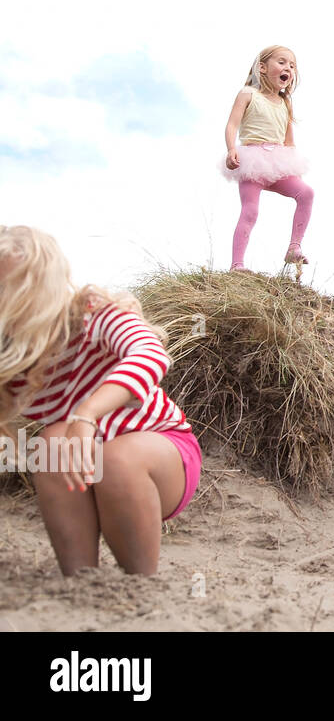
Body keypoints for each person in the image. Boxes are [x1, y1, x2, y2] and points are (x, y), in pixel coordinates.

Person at [0, 226, 201, 576]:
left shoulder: (93, 313)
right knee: (50, 443)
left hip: (163, 459)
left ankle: (140, 584)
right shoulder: (16, 362)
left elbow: (149, 353)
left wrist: (87, 413)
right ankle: (83, 580)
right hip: (83, 469)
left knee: (115, 458)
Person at [222, 44, 314, 273]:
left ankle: (294, 247)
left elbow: (289, 141)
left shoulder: (285, 103)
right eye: (281, 62)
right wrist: (231, 148)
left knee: (306, 193)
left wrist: (293, 167)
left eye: (292, 65)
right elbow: (232, 123)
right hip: (252, 160)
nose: (288, 68)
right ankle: (237, 265)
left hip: (277, 161)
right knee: (250, 211)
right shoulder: (247, 94)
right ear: (262, 67)